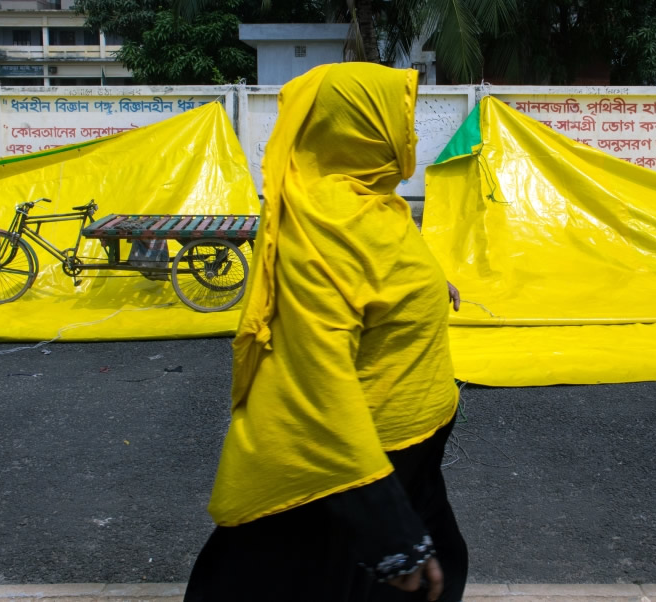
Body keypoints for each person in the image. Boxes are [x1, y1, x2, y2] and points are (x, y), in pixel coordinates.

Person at [184, 62, 468, 602]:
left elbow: (379, 277)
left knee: (441, 565)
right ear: (361, 126)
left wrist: (431, 286)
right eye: (400, 117)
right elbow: (317, 379)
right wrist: (384, 527)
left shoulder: (372, 201)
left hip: (411, 456)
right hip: (354, 472)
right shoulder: (323, 225)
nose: (409, 132)